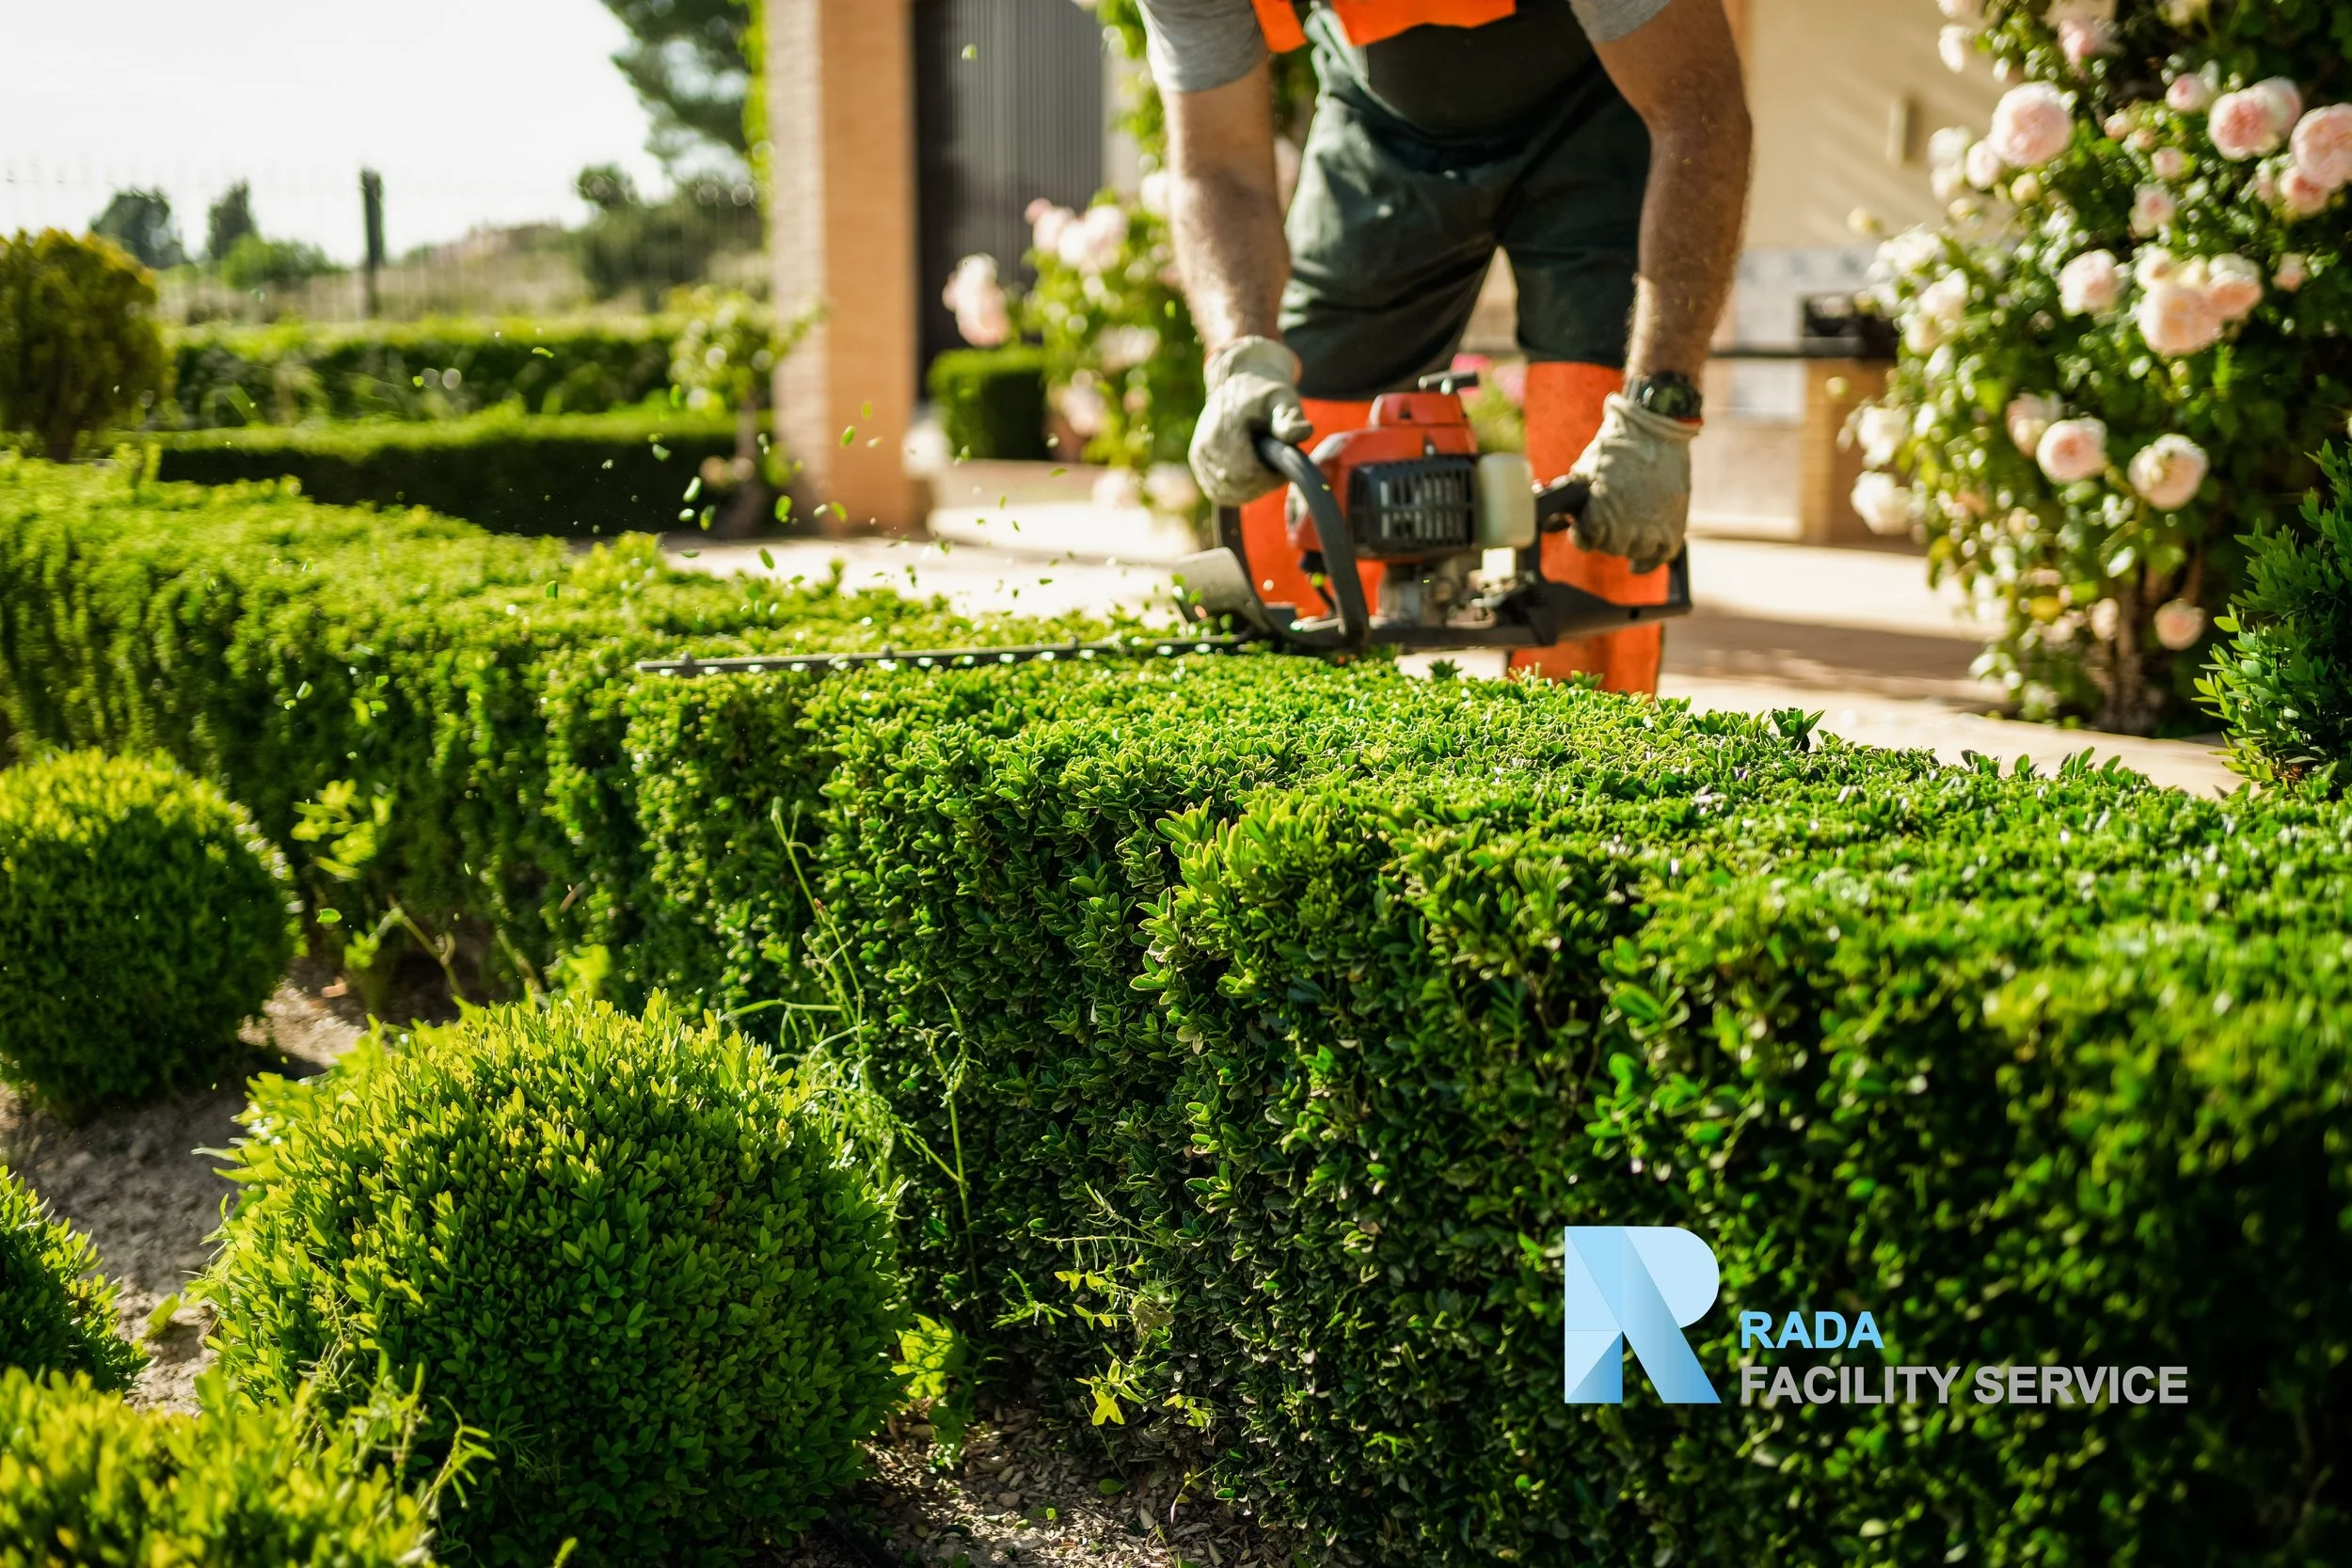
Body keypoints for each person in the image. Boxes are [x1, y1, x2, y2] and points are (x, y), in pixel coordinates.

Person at [1144, 0, 1750, 689]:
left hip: (1604, 101)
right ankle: (1295, 732)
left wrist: (1658, 406)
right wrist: (1241, 354)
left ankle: (1584, 757)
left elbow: (1697, 105)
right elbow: (1216, 165)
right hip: (1383, 118)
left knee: (1600, 485)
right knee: (1292, 463)